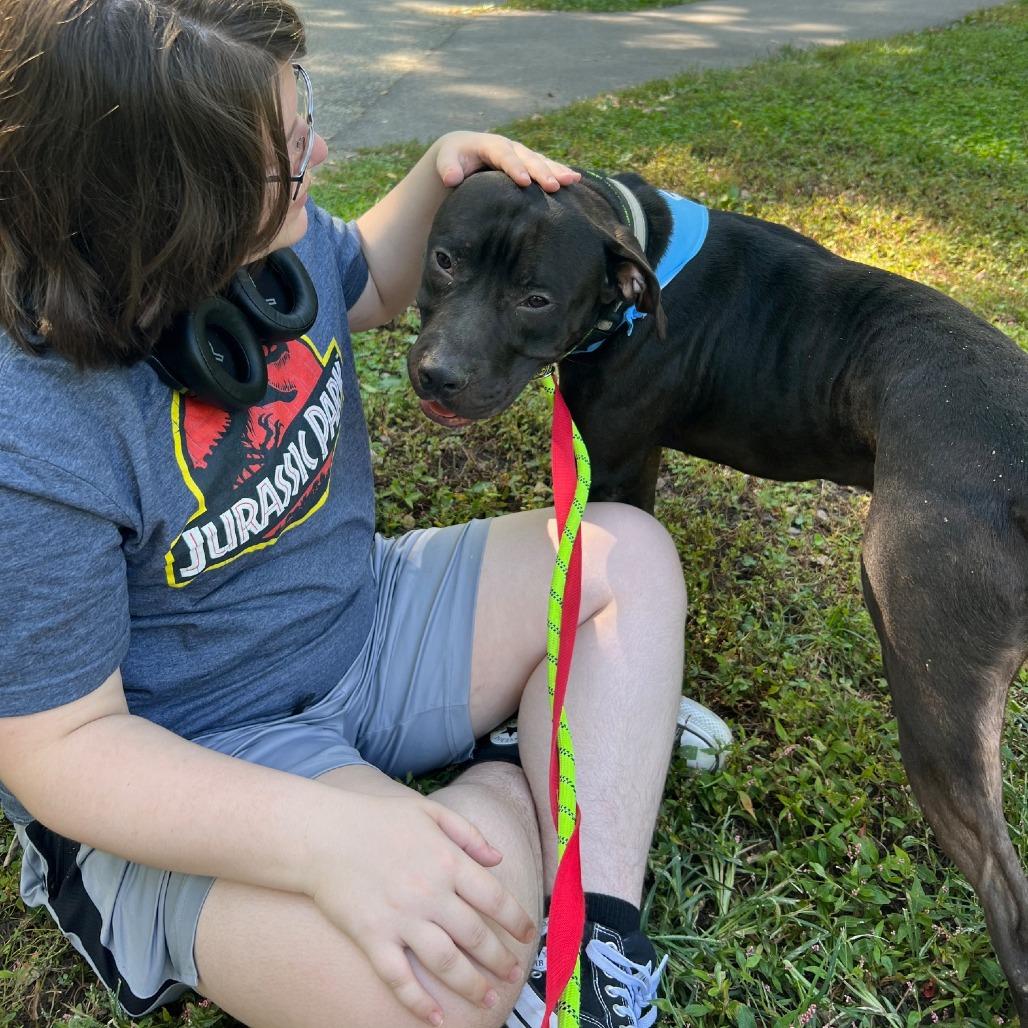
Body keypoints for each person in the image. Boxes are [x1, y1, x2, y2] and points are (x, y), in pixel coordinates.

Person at [0, 2, 701, 1025]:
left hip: (364, 620)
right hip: (197, 758)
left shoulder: (269, 252)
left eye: (305, 115)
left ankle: (594, 933)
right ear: (165, 211)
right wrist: (326, 837)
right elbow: (61, 748)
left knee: (626, 555)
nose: (317, 153)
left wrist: (437, 171)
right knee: (422, 984)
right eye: (287, 158)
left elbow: (369, 274)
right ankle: (519, 779)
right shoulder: (30, 439)